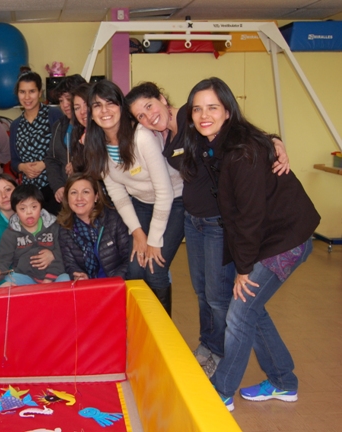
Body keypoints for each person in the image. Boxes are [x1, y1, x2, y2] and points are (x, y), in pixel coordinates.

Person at [127, 81, 291, 375]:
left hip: (218, 223)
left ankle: (221, 354)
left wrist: (274, 142)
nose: (148, 117)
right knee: (202, 291)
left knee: (218, 296)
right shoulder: (162, 135)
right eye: (140, 115)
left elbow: (239, 132)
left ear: (162, 98)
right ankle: (208, 345)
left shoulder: (194, 119)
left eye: (150, 106)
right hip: (194, 221)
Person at [183, 77, 320, 411]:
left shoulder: (241, 153)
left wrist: (243, 270)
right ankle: (283, 381)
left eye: (212, 107)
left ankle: (221, 392)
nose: (204, 115)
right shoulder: (216, 142)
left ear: (228, 110)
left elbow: (249, 217)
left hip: (286, 239)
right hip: (271, 237)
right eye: (197, 108)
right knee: (252, 312)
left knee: (240, 311)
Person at [85, 80, 184, 316]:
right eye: (97, 105)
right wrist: (138, 232)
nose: (105, 110)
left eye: (110, 103)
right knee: (134, 268)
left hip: (175, 200)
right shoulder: (97, 145)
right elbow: (118, 194)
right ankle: (139, 328)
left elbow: (165, 192)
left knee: (154, 266)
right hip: (141, 203)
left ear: (121, 106)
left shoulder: (141, 137)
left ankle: (162, 337)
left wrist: (153, 239)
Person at [0, 184, 69, 285]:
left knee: (66, 279)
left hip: (55, 275)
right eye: (22, 209)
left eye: (34, 207)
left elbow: (64, 254)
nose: (29, 212)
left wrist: (49, 277)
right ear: (15, 211)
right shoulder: (11, 233)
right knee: (9, 282)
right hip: (26, 276)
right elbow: (2, 257)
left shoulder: (54, 227)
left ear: (41, 207)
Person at [10, 70, 64, 214]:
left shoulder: (54, 115)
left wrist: (44, 163)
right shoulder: (15, 125)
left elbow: (65, 150)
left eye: (32, 91)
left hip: (55, 187)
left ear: (40, 93)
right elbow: (14, 162)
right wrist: (23, 167)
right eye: (22, 92)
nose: (27, 97)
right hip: (29, 193)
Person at [57, 173, 130, 280]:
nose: (79, 198)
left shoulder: (113, 219)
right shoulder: (65, 227)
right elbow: (70, 264)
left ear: (96, 197)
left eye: (85, 192)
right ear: (67, 199)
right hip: (89, 288)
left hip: (117, 284)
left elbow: (129, 258)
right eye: (73, 193)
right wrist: (79, 275)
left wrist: (113, 282)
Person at [44, 74, 87, 203]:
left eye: (68, 99)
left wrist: (78, 164)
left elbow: (99, 159)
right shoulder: (58, 125)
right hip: (66, 192)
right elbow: (51, 159)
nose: (65, 105)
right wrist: (58, 187)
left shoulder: (92, 126)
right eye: (61, 101)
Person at [69, 83, 92, 173]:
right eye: (77, 108)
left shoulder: (106, 134)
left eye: (86, 105)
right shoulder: (78, 134)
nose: (82, 112)